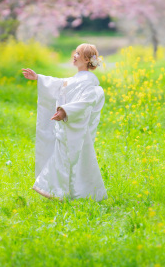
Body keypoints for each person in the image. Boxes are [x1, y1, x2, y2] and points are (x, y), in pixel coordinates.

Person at [21, 43, 107, 201]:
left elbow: (85, 102)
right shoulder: (76, 79)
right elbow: (59, 84)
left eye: (79, 53)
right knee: (68, 158)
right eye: (75, 52)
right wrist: (38, 78)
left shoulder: (89, 82)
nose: (74, 55)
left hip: (76, 128)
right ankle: (62, 191)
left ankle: (59, 190)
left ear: (87, 59)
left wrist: (65, 111)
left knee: (78, 159)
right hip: (68, 126)